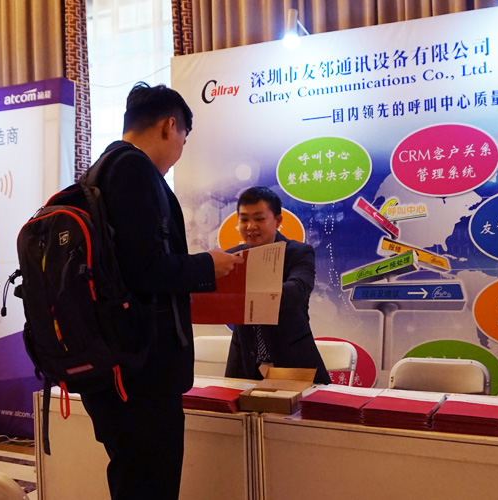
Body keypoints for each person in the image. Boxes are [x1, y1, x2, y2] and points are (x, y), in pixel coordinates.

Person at [78, 82, 242, 500]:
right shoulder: (134, 171)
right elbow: (146, 269)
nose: (180, 149)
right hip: (142, 371)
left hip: (114, 362)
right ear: (170, 126)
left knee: (133, 478)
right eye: (184, 138)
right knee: (152, 483)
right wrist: (208, 265)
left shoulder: (98, 172)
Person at [224, 186, 331, 384]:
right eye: (244, 219)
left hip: (292, 360)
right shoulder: (231, 257)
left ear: (278, 220)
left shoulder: (299, 252)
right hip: (244, 364)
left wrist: (249, 291)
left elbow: (297, 291)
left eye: (259, 219)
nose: (251, 226)